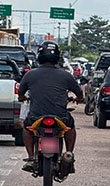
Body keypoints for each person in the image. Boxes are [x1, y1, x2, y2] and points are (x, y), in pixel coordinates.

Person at [18, 41, 83, 173]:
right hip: (60, 117)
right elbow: (79, 93)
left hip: (36, 116)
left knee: (26, 128)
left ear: (39, 56)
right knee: (70, 127)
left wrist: (23, 98)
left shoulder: (30, 74)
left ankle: (31, 157)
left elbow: (20, 93)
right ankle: (69, 154)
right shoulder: (66, 75)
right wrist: (79, 99)